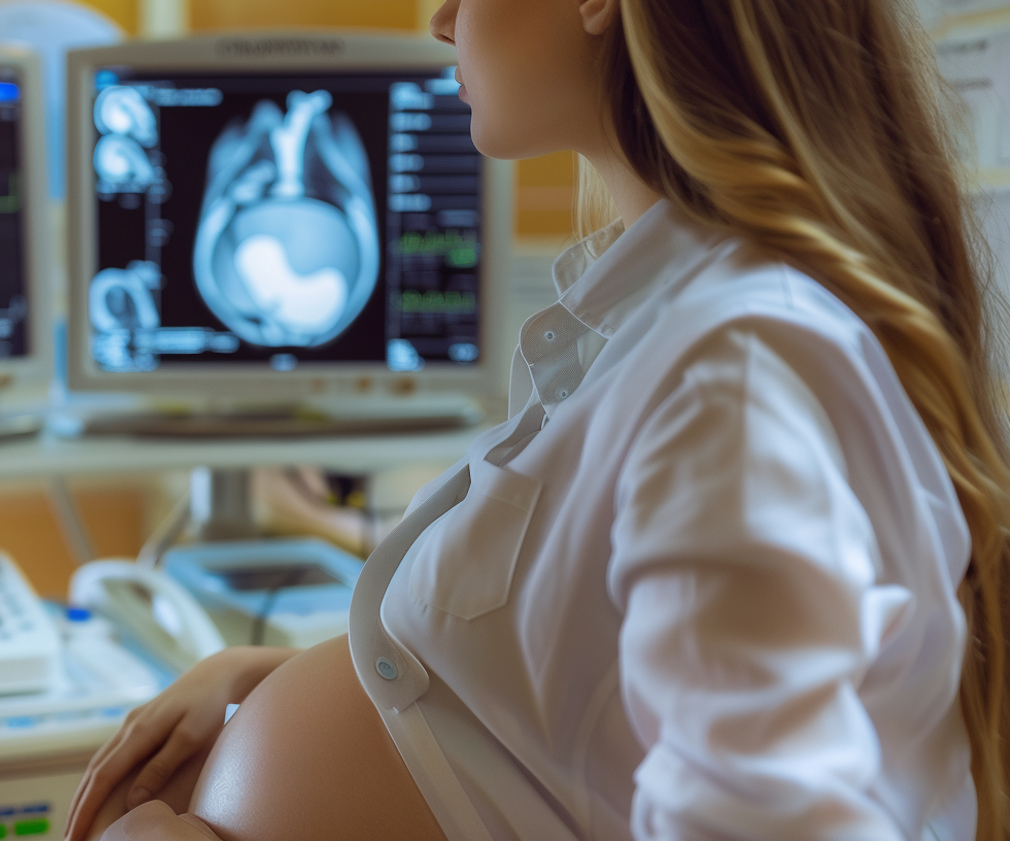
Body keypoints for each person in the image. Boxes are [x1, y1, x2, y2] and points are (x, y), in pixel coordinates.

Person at [65, 0, 1010, 837]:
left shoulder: (736, 370)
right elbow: (574, 708)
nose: (441, 20)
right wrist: (266, 675)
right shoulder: (677, 328)